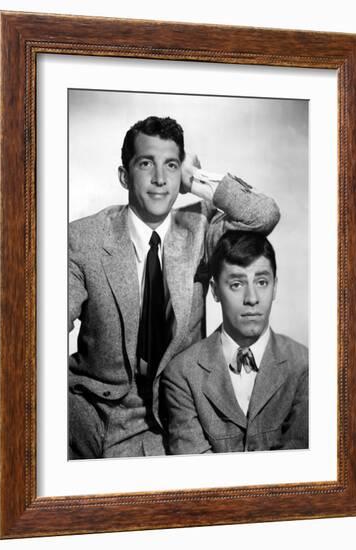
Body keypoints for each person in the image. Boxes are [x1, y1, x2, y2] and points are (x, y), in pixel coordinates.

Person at [68, 116, 280, 459]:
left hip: (170, 419)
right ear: (124, 176)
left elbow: (264, 214)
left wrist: (194, 178)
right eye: (145, 164)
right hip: (90, 417)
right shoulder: (82, 239)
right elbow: (38, 336)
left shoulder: (200, 229)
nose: (159, 178)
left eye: (170, 165)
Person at [162, 230, 308, 454]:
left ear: (275, 287)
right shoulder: (181, 375)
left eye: (261, 282)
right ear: (215, 291)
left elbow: (302, 469)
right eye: (237, 284)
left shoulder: (305, 366)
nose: (252, 298)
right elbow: (194, 477)